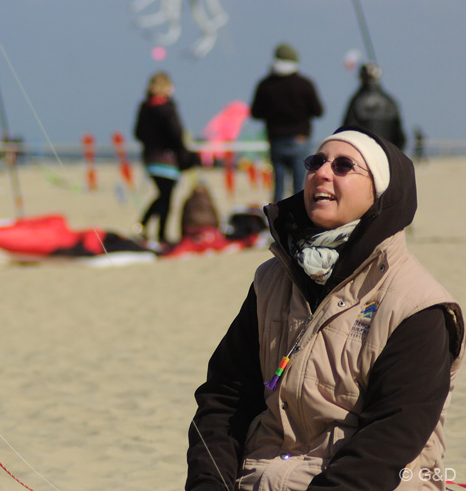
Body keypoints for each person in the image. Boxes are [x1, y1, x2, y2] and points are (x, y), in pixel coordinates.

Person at [185, 126, 464, 490]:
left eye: (344, 165)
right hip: (261, 477)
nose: (322, 172)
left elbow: (390, 440)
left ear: (380, 193)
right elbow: (225, 399)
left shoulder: (418, 306)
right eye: (316, 161)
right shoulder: (272, 278)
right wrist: (210, 483)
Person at [251, 43, 324, 202]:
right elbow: (318, 111)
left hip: (276, 140)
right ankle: (300, 222)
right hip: (300, 139)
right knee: (300, 187)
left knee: (278, 187)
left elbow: (255, 113)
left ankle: (276, 221)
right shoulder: (304, 84)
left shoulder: (265, 85)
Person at [134, 71, 197, 245]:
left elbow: (138, 133)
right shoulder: (167, 108)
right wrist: (184, 154)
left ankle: (145, 227)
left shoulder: (145, 107)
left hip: (150, 158)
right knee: (166, 198)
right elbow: (176, 134)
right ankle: (157, 232)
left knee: (163, 195)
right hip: (167, 160)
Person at [343, 63, 407, 151]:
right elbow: (400, 138)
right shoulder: (390, 102)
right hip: (387, 155)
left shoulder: (356, 101)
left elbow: (347, 131)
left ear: (362, 77)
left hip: (363, 156)